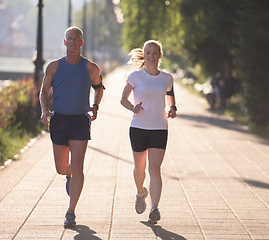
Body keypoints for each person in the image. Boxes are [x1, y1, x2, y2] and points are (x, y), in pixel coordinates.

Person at [39, 26, 104, 228]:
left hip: (79, 121)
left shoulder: (90, 68)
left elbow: (99, 88)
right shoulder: (54, 67)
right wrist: (44, 110)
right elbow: (43, 92)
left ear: (81, 42)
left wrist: (95, 106)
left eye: (76, 39)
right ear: (65, 42)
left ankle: (71, 211)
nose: (73, 42)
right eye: (69, 39)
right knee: (61, 168)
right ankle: (67, 175)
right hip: (58, 120)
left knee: (78, 166)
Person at [120, 40, 177, 224]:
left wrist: (173, 108)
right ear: (144, 56)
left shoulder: (167, 78)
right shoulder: (135, 76)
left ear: (160, 55)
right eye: (148, 53)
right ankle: (140, 193)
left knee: (155, 169)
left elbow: (169, 94)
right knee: (139, 168)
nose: (151, 57)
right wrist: (133, 108)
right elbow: (123, 99)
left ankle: (154, 208)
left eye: (155, 53)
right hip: (138, 128)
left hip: (159, 128)